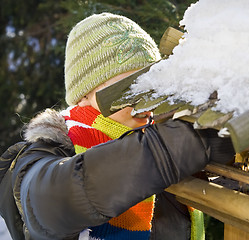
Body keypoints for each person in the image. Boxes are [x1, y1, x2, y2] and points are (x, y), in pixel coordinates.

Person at [0, 13, 234, 240]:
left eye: (151, 89)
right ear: (84, 96)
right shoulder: (39, 157)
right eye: (129, 91)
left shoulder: (162, 141)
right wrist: (189, 142)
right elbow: (52, 204)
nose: (144, 105)